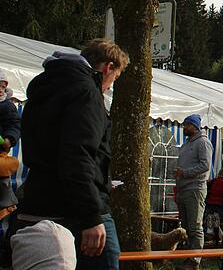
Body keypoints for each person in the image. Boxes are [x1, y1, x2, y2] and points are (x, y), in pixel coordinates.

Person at [13, 39, 128, 269]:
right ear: (108, 67)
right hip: (77, 207)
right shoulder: (87, 92)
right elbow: (78, 156)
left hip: (38, 200)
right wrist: (91, 216)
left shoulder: (44, 88)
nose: (109, 86)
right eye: (114, 79)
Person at [175, 113, 213, 269]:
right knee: (186, 225)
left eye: (187, 125)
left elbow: (205, 165)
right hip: (183, 188)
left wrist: (185, 172)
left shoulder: (203, 142)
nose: (184, 127)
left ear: (194, 126)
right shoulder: (186, 144)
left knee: (195, 226)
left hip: (195, 189)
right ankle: (188, 256)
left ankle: (195, 259)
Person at [205, 167, 223, 243]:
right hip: (219, 205)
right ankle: (217, 237)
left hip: (210, 203)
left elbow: (207, 190)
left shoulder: (213, 181)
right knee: (216, 221)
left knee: (210, 220)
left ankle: (212, 235)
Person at [0, 69, 20, 153]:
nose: (0, 90)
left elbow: (15, 124)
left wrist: (9, 138)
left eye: (3, 87)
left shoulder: (7, 106)